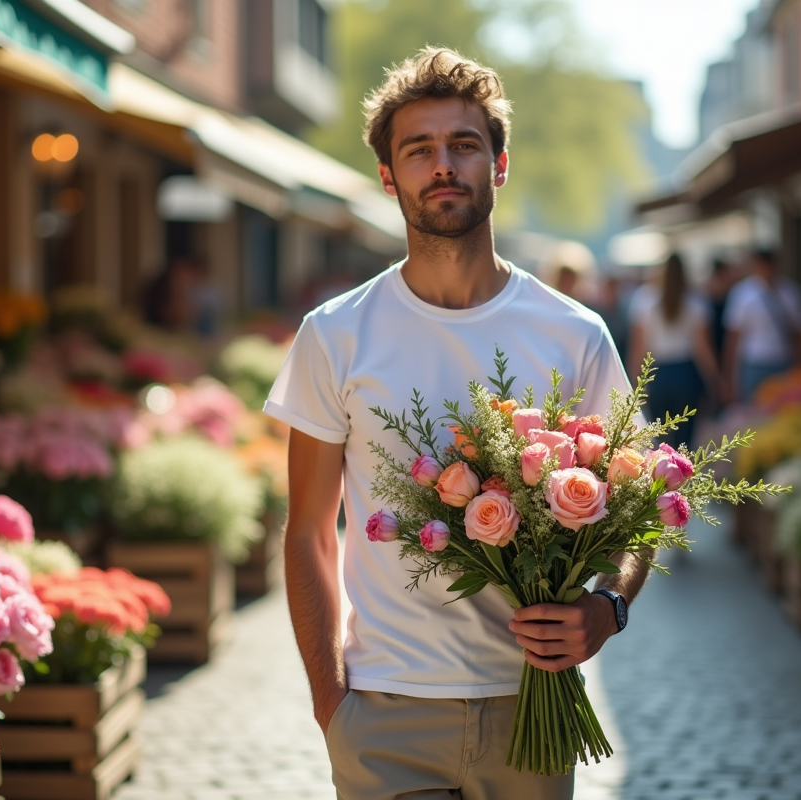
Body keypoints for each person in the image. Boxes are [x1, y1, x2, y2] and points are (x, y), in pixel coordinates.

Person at [264, 47, 649, 800]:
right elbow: (308, 529)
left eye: (464, 146)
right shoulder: (335, 334)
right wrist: (329, 702)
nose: (444, 165)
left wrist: (608, 608)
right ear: (389, 177)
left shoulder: (573, 334)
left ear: (498, 166)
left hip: (531, 709)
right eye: (420, 150)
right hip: (385, 712)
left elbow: (632, 517)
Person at [628, 254, 718, 447]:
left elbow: (638, 349)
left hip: (658, 374)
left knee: (660, 439)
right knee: (685, 440)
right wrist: (715, 380)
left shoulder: (644, 300)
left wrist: (634, 383)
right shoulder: (696, 301)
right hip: (686, 373)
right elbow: (702, 348)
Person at [722, 248, 801, 404]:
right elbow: (733, 338)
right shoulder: (743, 293)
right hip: (754, 363)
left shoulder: (789, 292)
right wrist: (730, 379)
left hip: (783, 361)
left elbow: (798, 334)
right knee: (753, 414)